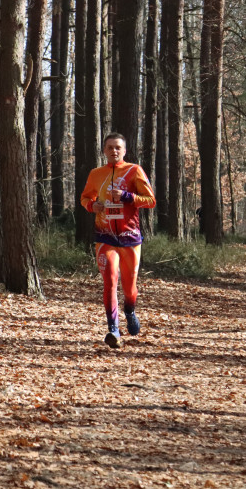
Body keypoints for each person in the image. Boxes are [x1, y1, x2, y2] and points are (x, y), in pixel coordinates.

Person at [80, 133, 156, 348]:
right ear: (104, 150)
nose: (114, 151)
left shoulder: (134, 171)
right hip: (104, 237)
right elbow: (85, 197)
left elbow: (150, 201)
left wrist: (126, 197)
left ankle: (130, 310)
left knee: (129, 287)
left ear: (125, 151)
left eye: (118, 148)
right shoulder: (96, 174)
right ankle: (113, 328)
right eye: (110, 147)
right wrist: (92, 206)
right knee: (110, 281)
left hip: (130, 238)